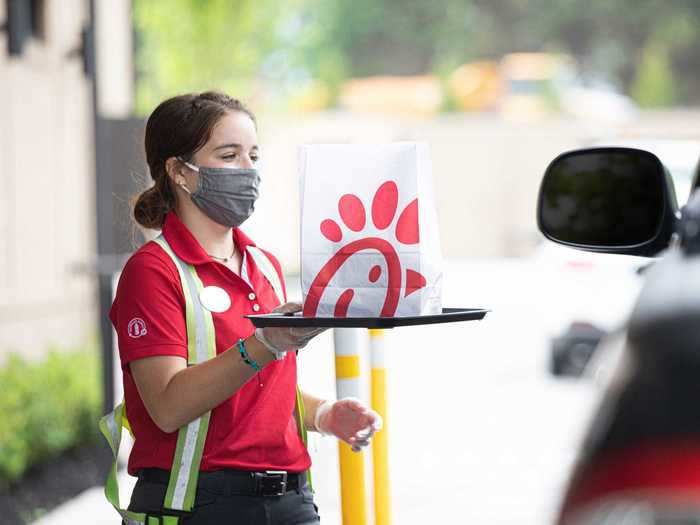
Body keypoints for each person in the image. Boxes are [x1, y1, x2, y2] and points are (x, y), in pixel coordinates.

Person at [105, 91, 382, 525]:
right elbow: (168, 406)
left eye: (254, 155)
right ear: (180, 171)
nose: (249, 170)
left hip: (291, 499)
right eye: (229, 155)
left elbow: (258, 391)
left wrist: (324, 414)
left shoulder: (264, 265)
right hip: (200, 505)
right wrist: (266, 343)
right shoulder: (152, 271)